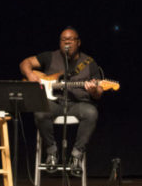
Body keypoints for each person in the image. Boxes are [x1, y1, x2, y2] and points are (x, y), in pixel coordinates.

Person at [20, 27, 103, 176]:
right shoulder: (49, 56)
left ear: (78, 42)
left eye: (70, 40)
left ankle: (76, 155)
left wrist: (93, 90)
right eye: (64, 40)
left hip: (78, 104)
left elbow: (98, 94)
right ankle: (52, 152)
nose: (67, 43)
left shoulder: (89, 62)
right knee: (40, 111)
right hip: (56, 103)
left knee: (91, 113)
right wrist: (30, 75)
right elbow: (25, 63)